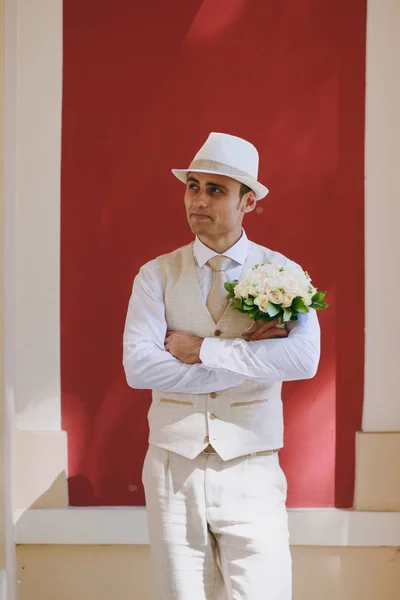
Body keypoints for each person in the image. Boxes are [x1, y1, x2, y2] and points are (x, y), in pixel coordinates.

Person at [123, 132, 321, 600]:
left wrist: (205, 350)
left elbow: (302, 359)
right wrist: (250, 355)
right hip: (174, 467)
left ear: (248, 202)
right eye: (193, 186)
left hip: (251, 463)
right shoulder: (156, 274)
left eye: (217, 190)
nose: (199, 199)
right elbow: (139, 367)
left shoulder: (283, 274)